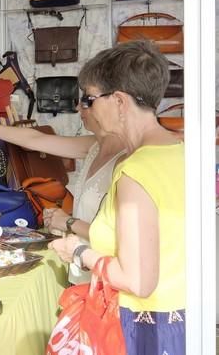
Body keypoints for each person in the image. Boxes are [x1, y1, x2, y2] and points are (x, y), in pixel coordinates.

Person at [49, 40, 185, 354]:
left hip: (141, 328)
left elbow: (138, 280)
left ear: (120, 102)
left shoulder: (135, 172)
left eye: (90, 99)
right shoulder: (181, 153)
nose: (85, 108)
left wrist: (79, 251)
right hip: (180, 320)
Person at [0, 99, 124, 284]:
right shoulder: (95, 145)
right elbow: (34, 139)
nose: (77, 107)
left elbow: (121, 238)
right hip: (83, 271)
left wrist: (69, 222)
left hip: (107, 277)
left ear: (117, 101)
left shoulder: (128, 160)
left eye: (88, 100)